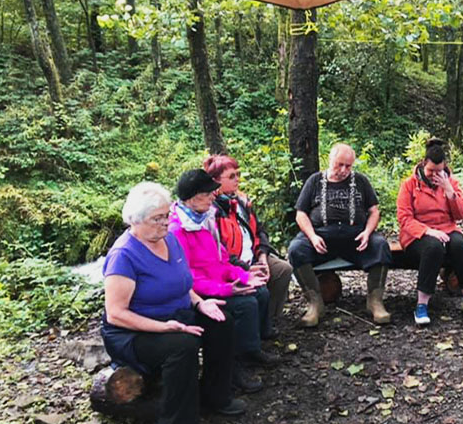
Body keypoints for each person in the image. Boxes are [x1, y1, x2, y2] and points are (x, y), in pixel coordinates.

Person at [101, 182, 246, 424]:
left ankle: (215, 396)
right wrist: (163, 327)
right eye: (158, 218)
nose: (166, 222)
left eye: (166, 215)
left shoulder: (169, 239)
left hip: (175, 315)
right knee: (182, 345)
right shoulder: (123, 255)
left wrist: (200, 303)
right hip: (134, 332)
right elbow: (116, 314)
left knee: (221, 321)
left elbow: (182, 283)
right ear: (135, 220)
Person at [168, 169, 275, 395]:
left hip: (217, 284)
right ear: (191, 198)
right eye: (207, 194)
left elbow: (222, 260)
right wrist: (227, 290)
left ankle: (250, 350)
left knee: (260, 292)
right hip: (199, 294)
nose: (211, 197)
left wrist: (245, 276)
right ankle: (234, 368)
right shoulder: (177, 230)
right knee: (244, 305)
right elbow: (188, 278)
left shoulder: (205, 219)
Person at [288, 143, 393, 326]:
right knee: (296, 249)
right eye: (340, 165)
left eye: (348, 166)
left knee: (381, 245)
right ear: (330, 160)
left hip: (355, 237)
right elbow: (301, 213)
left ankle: (375, 301)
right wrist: (312, 236)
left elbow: (374, 211)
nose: (344, 170)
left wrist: (368, 232)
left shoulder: (360, 181)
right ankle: (315, 303)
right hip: (321, 237)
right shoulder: (314, 181)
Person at [396, 138, 463, 325]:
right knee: (434, 248)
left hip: (447, 228)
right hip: (417, 234)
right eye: (431, 171)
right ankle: (422, 305)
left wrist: (450, 192)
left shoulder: (451, 182)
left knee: (461, 246)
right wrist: (427, 231)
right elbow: (404, 218)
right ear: (423, 164)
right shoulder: (409, 185)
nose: (435, 175)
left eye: (439, 171)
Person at [204, 154, 292, 340]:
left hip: (252, 256)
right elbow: (219, 250)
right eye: (232, 176)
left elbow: (260, 231)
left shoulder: (243, 201)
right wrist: (246, 268)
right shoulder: (211, 211)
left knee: (282, 270)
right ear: (216, 182)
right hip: (234, 264)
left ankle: (267, 320)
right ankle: (252, 333)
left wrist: (262, 257)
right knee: (259, 287)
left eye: (238, 174)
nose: (238, 179)